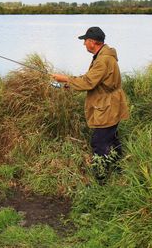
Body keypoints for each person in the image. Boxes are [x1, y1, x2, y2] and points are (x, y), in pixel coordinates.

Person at [52, 26, 129, 182]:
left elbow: (88, 82)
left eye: (85, 41)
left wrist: (65, 79)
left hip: (107, 107)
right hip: (110, 105)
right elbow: (91, 79)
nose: (84, 44)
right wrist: (70, 84)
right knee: (112, 139)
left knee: (100, 143)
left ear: (93, 42)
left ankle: (100, 180)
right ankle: (120, 171)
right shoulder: (102, 55)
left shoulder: (103, 60)